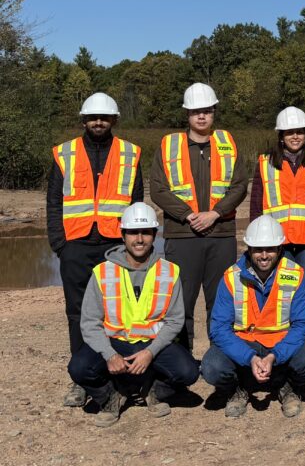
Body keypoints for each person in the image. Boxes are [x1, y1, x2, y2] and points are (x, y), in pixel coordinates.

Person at [48, 92, 144, 407]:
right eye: (93, 117)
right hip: (75, 246)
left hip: (116, 246)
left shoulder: (130, 154)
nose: (98, 122)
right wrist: (60, 245)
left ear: (113, 119)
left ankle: (119, 375)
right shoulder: (65, 153)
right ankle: (82, 379)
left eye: (104, 117)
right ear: (84, 120)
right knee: (77, 314)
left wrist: (133, 247)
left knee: (118, 313)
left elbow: (137, 204)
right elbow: (53, 202)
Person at [69, 203, 200, 427]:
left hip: (152, 344)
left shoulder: (169, 271)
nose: (139, 239)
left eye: (145, 232)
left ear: (154, 235)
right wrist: (109, 354)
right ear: (122, 236)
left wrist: (150, 352)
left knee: (188, 372)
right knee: (79, 368)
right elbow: (90, 323)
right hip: (115, 343)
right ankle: (110, 397)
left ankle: (154, 392)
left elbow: (175, 320)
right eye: (133, 232)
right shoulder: (103, 272)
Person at [150, 83, 248, 349]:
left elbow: (239, 185)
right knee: (181, 300)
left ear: (214, 112)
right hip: (183, 235)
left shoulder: (227, 142)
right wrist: (190, 215)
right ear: (187, 114)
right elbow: (158, 188)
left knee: (221, 300)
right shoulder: (169, 145)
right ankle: (182, 356)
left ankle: (221, 354)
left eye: (206, 111)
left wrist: (215, 213)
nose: (201, 116)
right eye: (196, 112)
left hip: (221, 233)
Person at [201, 216, 305, 418]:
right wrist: (249, 357)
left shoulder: (295, 274)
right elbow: (219, 329)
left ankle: (286, 385)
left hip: (281, 343)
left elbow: (303, 325)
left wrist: (274, 355)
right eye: (258, 249)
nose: (264, 255)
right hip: (244, 343)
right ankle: (239, 388)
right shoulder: (231, 277)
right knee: (211, 367)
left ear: (280, 249)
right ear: (249, 249)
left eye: (270, 249)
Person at [249, 106, 305, 284]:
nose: (295, 136)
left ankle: (301, 314)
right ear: (281, 136)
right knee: (281, 286)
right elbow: (256, 206)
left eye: (299, 132)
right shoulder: (266, 163)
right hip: (277, 239)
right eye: (289, 132)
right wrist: (256, 241)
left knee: (304, 285)